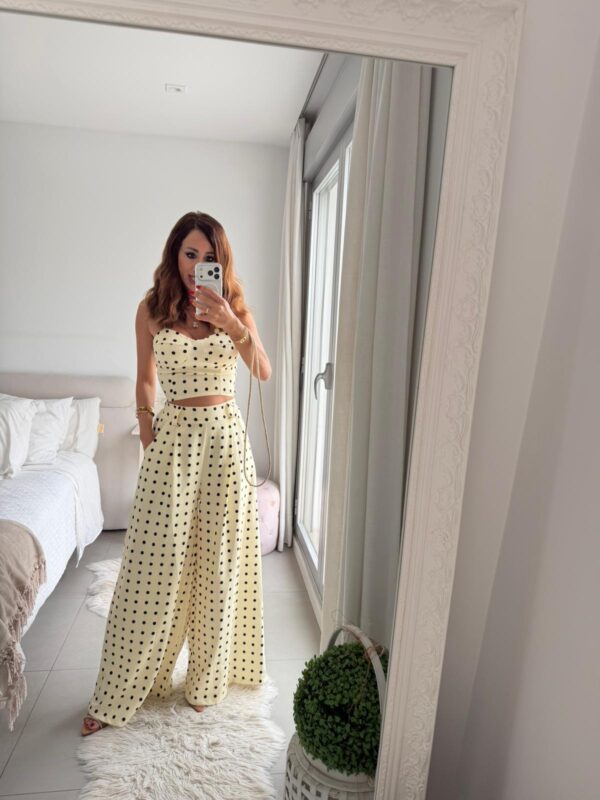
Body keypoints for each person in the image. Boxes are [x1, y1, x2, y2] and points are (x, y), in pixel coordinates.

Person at [81, 211, 271, 735]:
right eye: (190, 254)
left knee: (217, 564)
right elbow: (145, 380)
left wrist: (232, 324)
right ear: (175, 254)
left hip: (226, 446)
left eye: (210, 258)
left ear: (221, 262)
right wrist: (147, 430)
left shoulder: (234, 308)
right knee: (150, 569)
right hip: (173, 445)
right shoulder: (151, 309)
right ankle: (119, 689)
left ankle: (207, 682)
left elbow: (262, 370)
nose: (197, 265)